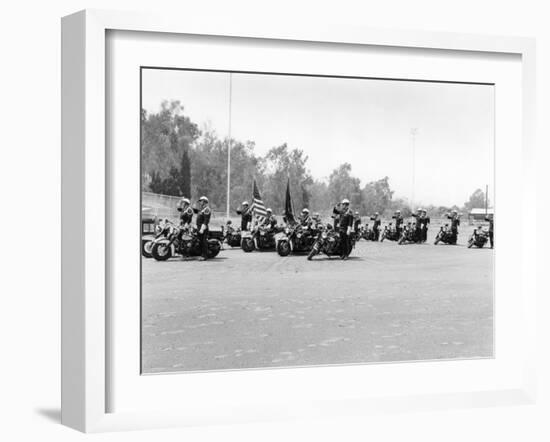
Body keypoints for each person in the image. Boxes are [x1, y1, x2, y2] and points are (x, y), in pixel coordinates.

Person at [196, 196, 211, 261]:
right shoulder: (202, 209)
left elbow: (206, 220)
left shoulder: (207, 209)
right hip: (199, 228)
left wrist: (202, 229)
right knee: (200, 242)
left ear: (204, 202)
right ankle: (201, 254)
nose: (200, 202)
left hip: (203, 229)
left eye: (201, 201)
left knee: (204, 242)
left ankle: (204, 256)